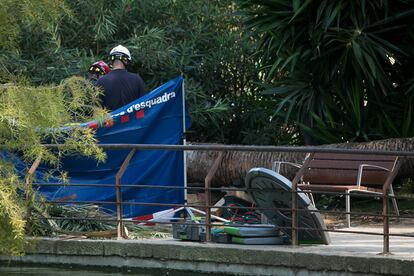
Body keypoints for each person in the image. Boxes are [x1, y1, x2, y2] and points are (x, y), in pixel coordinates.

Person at [95, 45, 146, 111]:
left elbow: (96, 110)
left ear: (111, 61)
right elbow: (144, 104)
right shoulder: (137, 80)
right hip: (134, 120)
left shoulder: (101, 81)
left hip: (110, 121)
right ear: (126, 61)